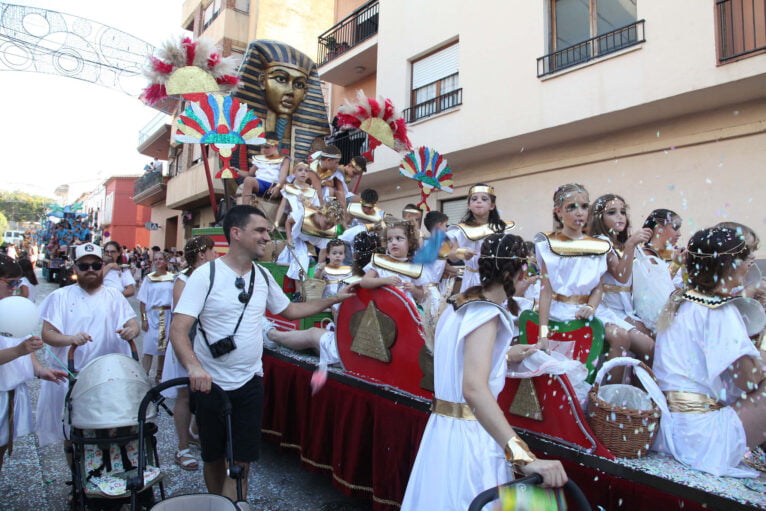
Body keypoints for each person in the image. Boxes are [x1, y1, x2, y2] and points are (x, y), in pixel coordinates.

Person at [169, 205, 357, 501]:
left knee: (241, 461)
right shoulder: (205, 275)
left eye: (267, 231)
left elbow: (290, 310)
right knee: (214, 457)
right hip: (210, 385)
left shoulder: (263, 276)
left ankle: (234, 507)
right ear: (236, 233)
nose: (267, 237)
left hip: (249, 383)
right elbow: (179, 329)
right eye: (260, 230)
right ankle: (216, 505)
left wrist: (335, 299)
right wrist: (194, 368)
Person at [401, 234, 567, 510]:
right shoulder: (486, 315)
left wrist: (502, 356)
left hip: (442, 431)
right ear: (515, 273)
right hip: (469, 439)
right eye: (527, 269)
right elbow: (473, 389)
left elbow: (456, 362)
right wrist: (523, 456)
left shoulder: (456, 305)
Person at [653, 227, 766, 477]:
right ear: (728, 264)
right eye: (746, 257)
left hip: (674, 430)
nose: (749, 265)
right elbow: (747, 380)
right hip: (702, 438)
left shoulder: (681, 300)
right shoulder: (718, 310)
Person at [535, 184, 653, 370]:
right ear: (558, 212)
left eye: (583, 206)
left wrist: (591, 306)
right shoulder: (549, 245)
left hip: (591, 309)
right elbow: (546, 291)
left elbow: (598, 287)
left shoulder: (598, 246)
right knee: (620, 336)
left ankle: (610, 392)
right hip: (560, 309)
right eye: (571, 207)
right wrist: (542, 334)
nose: (579, 212)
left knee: (624, 337)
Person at [36, 243, 140, 447]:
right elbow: (47, 334)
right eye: (84, 266)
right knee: (71, 435)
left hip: (108, 376)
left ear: (102, 266)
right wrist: (71, 339)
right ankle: (77, 476)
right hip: (72, 375)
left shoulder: (114, 295)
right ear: (75, 269)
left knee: (111, 431)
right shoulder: (60, 296)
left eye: (95, 265)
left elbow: (132, 323)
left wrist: (131, 331)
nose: (91, 270)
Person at [0, 255, 67, 470]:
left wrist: (41, 370)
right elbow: (20, 348)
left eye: (17, 283)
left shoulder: (10, 309)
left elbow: (23, 342)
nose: (15, 289)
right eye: (10, 283)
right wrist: (19, 350)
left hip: (8, 394)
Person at [164, 236, 217, 472]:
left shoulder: (213, 277)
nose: (216, 254)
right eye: (213, 250)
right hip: (187, 342)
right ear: (202, 254)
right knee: (185, 394)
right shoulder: (183, 280)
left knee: (204, 390)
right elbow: (182, 317)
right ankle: (182, 447)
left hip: (206, 343)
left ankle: (195, 431)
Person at [588, 194, 653, 335]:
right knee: (648, 347)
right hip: (608, 310)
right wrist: (631, 244)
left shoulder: (620, 244)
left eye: (623, 212)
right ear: (599, 219)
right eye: (612, 212)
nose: (620, 216)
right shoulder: (601, 242)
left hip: (627, 308)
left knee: (654, 337)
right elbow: (621, 276)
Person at [446, 184, 513, 292]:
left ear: (492, 206)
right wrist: (462, 253)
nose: (478, 201)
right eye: (474, 199)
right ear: (469, 205)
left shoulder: (501, 230)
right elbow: (452, 256)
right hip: (470, 279)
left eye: (484, 199)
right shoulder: (461, 230)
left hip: (494, 280)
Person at [361, 218, 425, 305]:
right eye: (389, 240)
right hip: (382, 306)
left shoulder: (413, 268)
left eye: (399, 238)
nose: (393, 242)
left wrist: (413, 289)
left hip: (404, 309)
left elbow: (421, 294)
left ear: (410, 242)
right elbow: (364, 282)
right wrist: (384, 281)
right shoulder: (380, 262)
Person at [138, 251, 175, 381]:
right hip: (152, 315)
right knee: (148, 347)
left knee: (163, 347)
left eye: (160, 259)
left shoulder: (173, 278)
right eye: (155, 259)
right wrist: (144, 319)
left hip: (167, 315)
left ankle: (160, 373)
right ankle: (144, 374)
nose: (158, 261)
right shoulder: (149, 279)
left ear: (165, 261)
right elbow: (142, 301)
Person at [237, 132, 291, 204]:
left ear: (275, 146)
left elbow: (283, 177)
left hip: (273, 185)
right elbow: (250, 174)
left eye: (267, 147)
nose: (263, 150)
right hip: (259, 183)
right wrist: (236, 172)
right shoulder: (260, 159)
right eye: (262, 147)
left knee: (284, 189)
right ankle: (245, 208)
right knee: (248, 180)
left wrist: (278, 187)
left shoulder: (284, 159)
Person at [641, 208, 685, 284]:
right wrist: (676, 265)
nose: (679, 234)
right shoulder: (644, 257)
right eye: (675, 228)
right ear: (660, 229)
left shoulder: (674, 255)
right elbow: (656, 287)